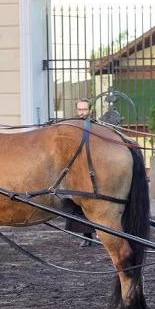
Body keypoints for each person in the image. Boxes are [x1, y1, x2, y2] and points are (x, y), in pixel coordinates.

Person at [65, 98, 97, 247]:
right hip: (77, 171)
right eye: (80, 109)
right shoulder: (72, 127)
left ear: (90, 110)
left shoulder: (96, 127)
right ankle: (87, 236)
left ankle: (100, 234)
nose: (82, 112)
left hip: (95, 170)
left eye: (85, 109)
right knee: (79, 204)